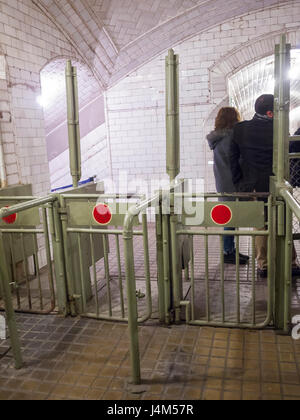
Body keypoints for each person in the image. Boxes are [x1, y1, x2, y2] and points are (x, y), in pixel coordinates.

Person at [230, 94, 300, 278]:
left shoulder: (240, 129)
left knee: (260, 226)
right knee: (283, 220)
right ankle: (291, 263)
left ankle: (264, 264)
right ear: (270, 113)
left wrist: (239, 184)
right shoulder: (278, 130)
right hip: (278, 184)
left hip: (254, 186)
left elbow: (232, 159)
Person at [207, 107, 249, 265]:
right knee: (230, 219)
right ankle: (227, 252)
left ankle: (230, 250)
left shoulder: (218, 138)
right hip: (234, 183)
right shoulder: (231, 137)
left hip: (223, 183)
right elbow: (238, 161)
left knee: (229, 218)